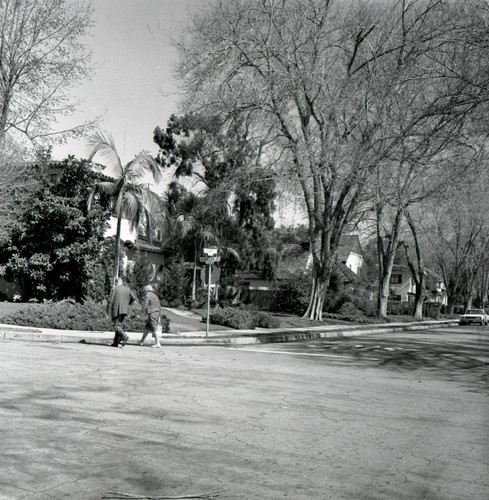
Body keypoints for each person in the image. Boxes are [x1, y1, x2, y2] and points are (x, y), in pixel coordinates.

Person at [107, 277, 136, 347]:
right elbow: (133, 298)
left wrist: (107, 311)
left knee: (116, 325)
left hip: (116, 309)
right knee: (119, 326)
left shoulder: (115, 289)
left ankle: (124, 336)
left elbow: (110, 301)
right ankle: (115, 342)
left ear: (116, 282)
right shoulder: (128, 289)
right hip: (124, 310)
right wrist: (127, 303)